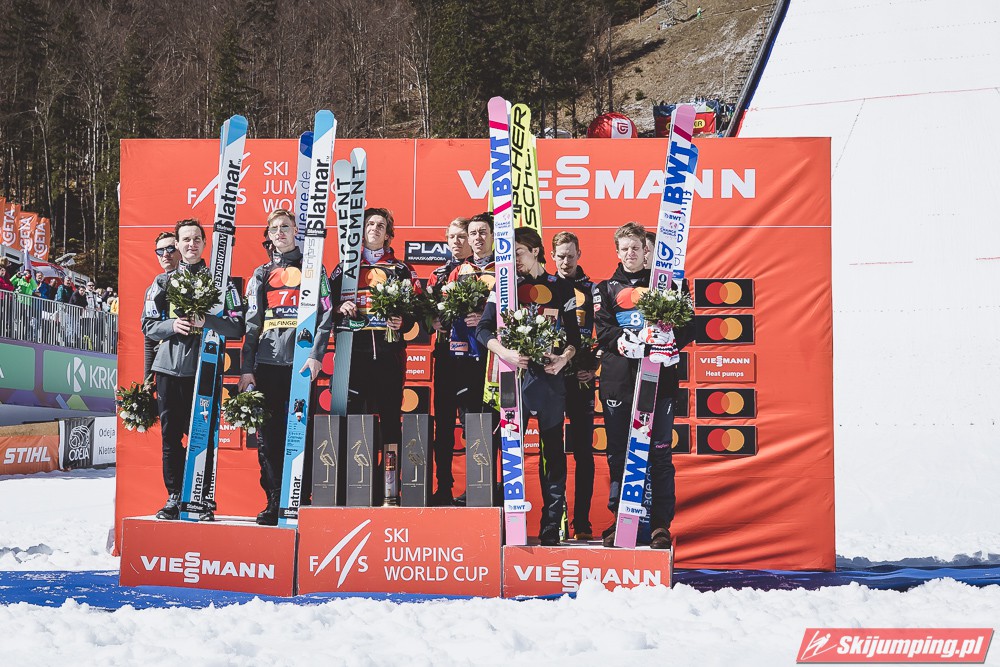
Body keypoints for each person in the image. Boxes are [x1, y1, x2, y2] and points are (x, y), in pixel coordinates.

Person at [593, 222, 694, 549]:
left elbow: (689, 326)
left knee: (660, 454)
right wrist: (628, 341)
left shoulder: (671, 285)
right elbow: (603, 331)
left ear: (646, 250)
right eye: (624, 249)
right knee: (619, 454)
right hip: (619, 383)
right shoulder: (605, 288)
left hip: (660, 381)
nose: (630, 254)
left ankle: (660, 526)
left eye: (636, 248)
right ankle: (620, 520)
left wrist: (669, 339)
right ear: (617, 252)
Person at [476, 226, 579, 546]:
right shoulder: (504, 286)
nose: (514, 261)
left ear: (535, 251)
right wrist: (505, 352)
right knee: (510, 454)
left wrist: (563, 359)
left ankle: (551, 525)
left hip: (550, 380)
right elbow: (483, 330)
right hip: (514, 380)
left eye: (518, 253)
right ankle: (510, 523)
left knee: (553, 455)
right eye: (509, 256)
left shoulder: (562, 287)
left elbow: (574, 338)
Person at [142, 218, 244, 521]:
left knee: (205, 436)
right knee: (171, 437)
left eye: (197, 239)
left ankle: (202, 497)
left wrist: (207, 321)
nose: (191, 244)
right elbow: (147, 325)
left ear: (204, 243)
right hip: (169, 369)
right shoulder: (162, 282)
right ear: (177, 244)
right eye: (185, 239)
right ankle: (174, 496)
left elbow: (237, 326)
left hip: (206, 368)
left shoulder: (222, 282)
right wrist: (171, 325)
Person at [239, 209, 333, 525]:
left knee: (301, 432)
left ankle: (300, 498)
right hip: (267, 364)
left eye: (286, 227)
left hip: (301, 365)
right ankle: (275, 500)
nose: (280, 232)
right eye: (275, 228)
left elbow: (326, 314)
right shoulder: (261, 273)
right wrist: (247, 368)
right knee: (268, 437)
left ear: (295, 231)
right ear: (269, 235)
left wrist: (316, 355)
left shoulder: (313, 269)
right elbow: (252, 323)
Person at [330, 207, 420, 458]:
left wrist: (402, 321)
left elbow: (416, 310)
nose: (374, 229)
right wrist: (339, 308)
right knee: (353, 418)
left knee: (390, 418)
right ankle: (353, 476)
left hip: (389, 355)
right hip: (353, 356)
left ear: (388, 234)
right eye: (370, 224)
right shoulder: (346, 267)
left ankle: (389, 480)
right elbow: (325, 305)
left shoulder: (400, 269)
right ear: (361, 231)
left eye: (381, 225)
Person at [551, 231, 598, 541]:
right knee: (553, 451)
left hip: (581, 378)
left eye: (570, 255)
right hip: (552, 378)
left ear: (579, 254)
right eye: (560, 256)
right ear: (552, 256)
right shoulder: (545, 287)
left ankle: (581, 522)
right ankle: (555, 520)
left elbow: (603, 332)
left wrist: (593, 367)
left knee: (583, 452)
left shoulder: (592, 290)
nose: (566, 261)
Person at [426, 216, 472, 505]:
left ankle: (477, 487)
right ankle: (443, 486)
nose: (457, 241)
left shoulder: (480, 271)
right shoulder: (438, 274)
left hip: (472, 359)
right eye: (452, 236)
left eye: (462, 236)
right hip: (444, 356)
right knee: (442, 427)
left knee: (473, 425)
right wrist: (431, 321)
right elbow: (424, 312)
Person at [144, 232, 181, 382]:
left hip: (193, 365)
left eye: (170, 249)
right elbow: (149, 338)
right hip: (164, 367)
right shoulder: (154, 288)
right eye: (160, 251)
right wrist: (147, 379)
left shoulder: (198, 282)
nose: (165, 254)